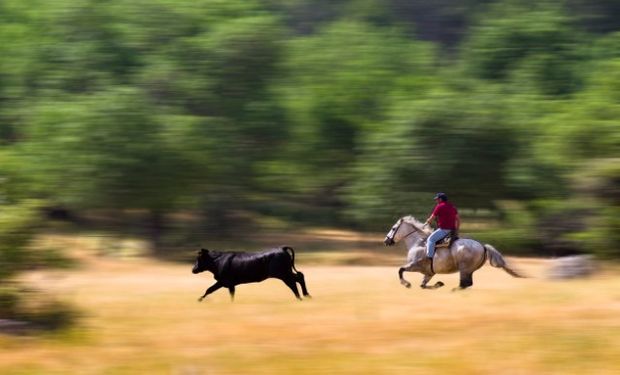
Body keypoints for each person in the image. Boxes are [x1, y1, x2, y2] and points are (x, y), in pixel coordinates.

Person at [423, 192, 459, 260]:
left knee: (430, 239)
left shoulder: (439, 206)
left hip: (444, 230)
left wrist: (428, 221)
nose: (436, 201)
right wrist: (456, 230)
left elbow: (432, 218)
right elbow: (458, 220)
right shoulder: (452, 206)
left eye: (437, 199)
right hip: (452, 231)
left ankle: (429, 257)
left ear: (440, 199)